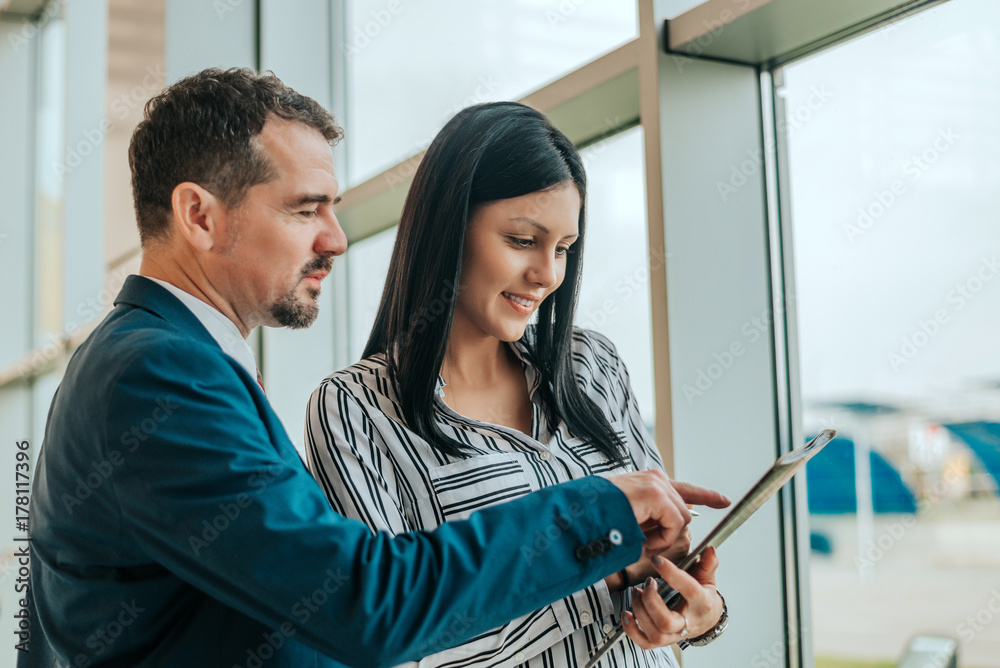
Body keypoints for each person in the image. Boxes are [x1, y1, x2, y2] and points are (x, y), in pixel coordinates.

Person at [20, 69, 728, 667]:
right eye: (306, 210)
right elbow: (365, 602)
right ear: (199, 217)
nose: (335, 238)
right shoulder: (159, 376)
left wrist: (680, 600)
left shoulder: (163, 360)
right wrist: (602, 511)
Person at [304, 101, 730, 668]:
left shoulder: (592, 365)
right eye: (523, 241)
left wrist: (696, 612)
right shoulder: (355, 411)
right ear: (448, 226)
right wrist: (600, 580)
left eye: (562, 249)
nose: (548, 275)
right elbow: (388, 642)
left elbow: (656, 567)